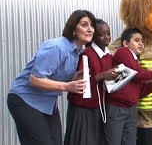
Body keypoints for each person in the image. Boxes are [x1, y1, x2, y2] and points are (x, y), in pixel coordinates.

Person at [7, 10, 96, 145]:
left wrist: (73, 78)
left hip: (47, 103)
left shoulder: (78, 52)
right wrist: (67, 86)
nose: (90, 29)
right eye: (84, 25)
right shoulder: (57, 47)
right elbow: (35, 79)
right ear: (73, 29)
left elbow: (55, 76)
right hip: (24, 99)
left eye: (92, 25)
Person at [104, 28, 152, 145]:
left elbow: (140, 92)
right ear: (126, 43)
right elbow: (136, 73)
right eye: (136, 40)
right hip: (117, 108)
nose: (141, 43)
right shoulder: (123, 52)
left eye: (142, 41)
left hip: (131, 109)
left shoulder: (135, 61)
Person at [64, 19, 118, 145]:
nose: (106, 37)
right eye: (101, 34)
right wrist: (101, 76)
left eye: (108, 33)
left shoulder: (109, 55)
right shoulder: (86, 55)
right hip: (83, 109)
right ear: (93, 37)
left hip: (99, 108)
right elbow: (81, 84)